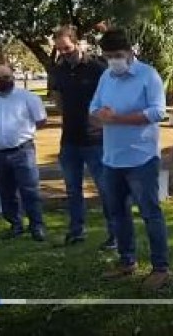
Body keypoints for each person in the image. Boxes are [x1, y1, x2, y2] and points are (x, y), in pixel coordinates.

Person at [90, 29, 170, 290]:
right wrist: (100, 114)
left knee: (150, 214)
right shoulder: (106, 76)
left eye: (118, 55)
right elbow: (93, 110)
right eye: (109, 56)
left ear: (130, 52)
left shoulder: (149, 75)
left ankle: (160, 268)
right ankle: (127, 261)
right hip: (112, 158)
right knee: (118, 213)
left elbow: (158, 111)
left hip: (141, 158)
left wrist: (118, 119)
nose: (114, 60)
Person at [50, 25, 115, 248]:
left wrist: (99, 122)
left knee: (105, 188)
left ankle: (115, 233)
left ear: (77, 43)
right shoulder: (57, 70)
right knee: (72, 188)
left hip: (96, 140)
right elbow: (57, 99)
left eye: (67, 48)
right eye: (60, 50)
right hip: (69, 140)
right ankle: (77, 230)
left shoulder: (98, 68)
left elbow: (110, 99)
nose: (64, 53)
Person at [0, 63, 48, 241]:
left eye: (5, 77)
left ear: (13, 77)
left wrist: (22, 133)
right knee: (6, 191)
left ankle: (37, 226)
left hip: (23, 150)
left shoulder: (28, 97)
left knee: (30, 190)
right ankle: (15, 224)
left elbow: (41, 120)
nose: (1, 81)